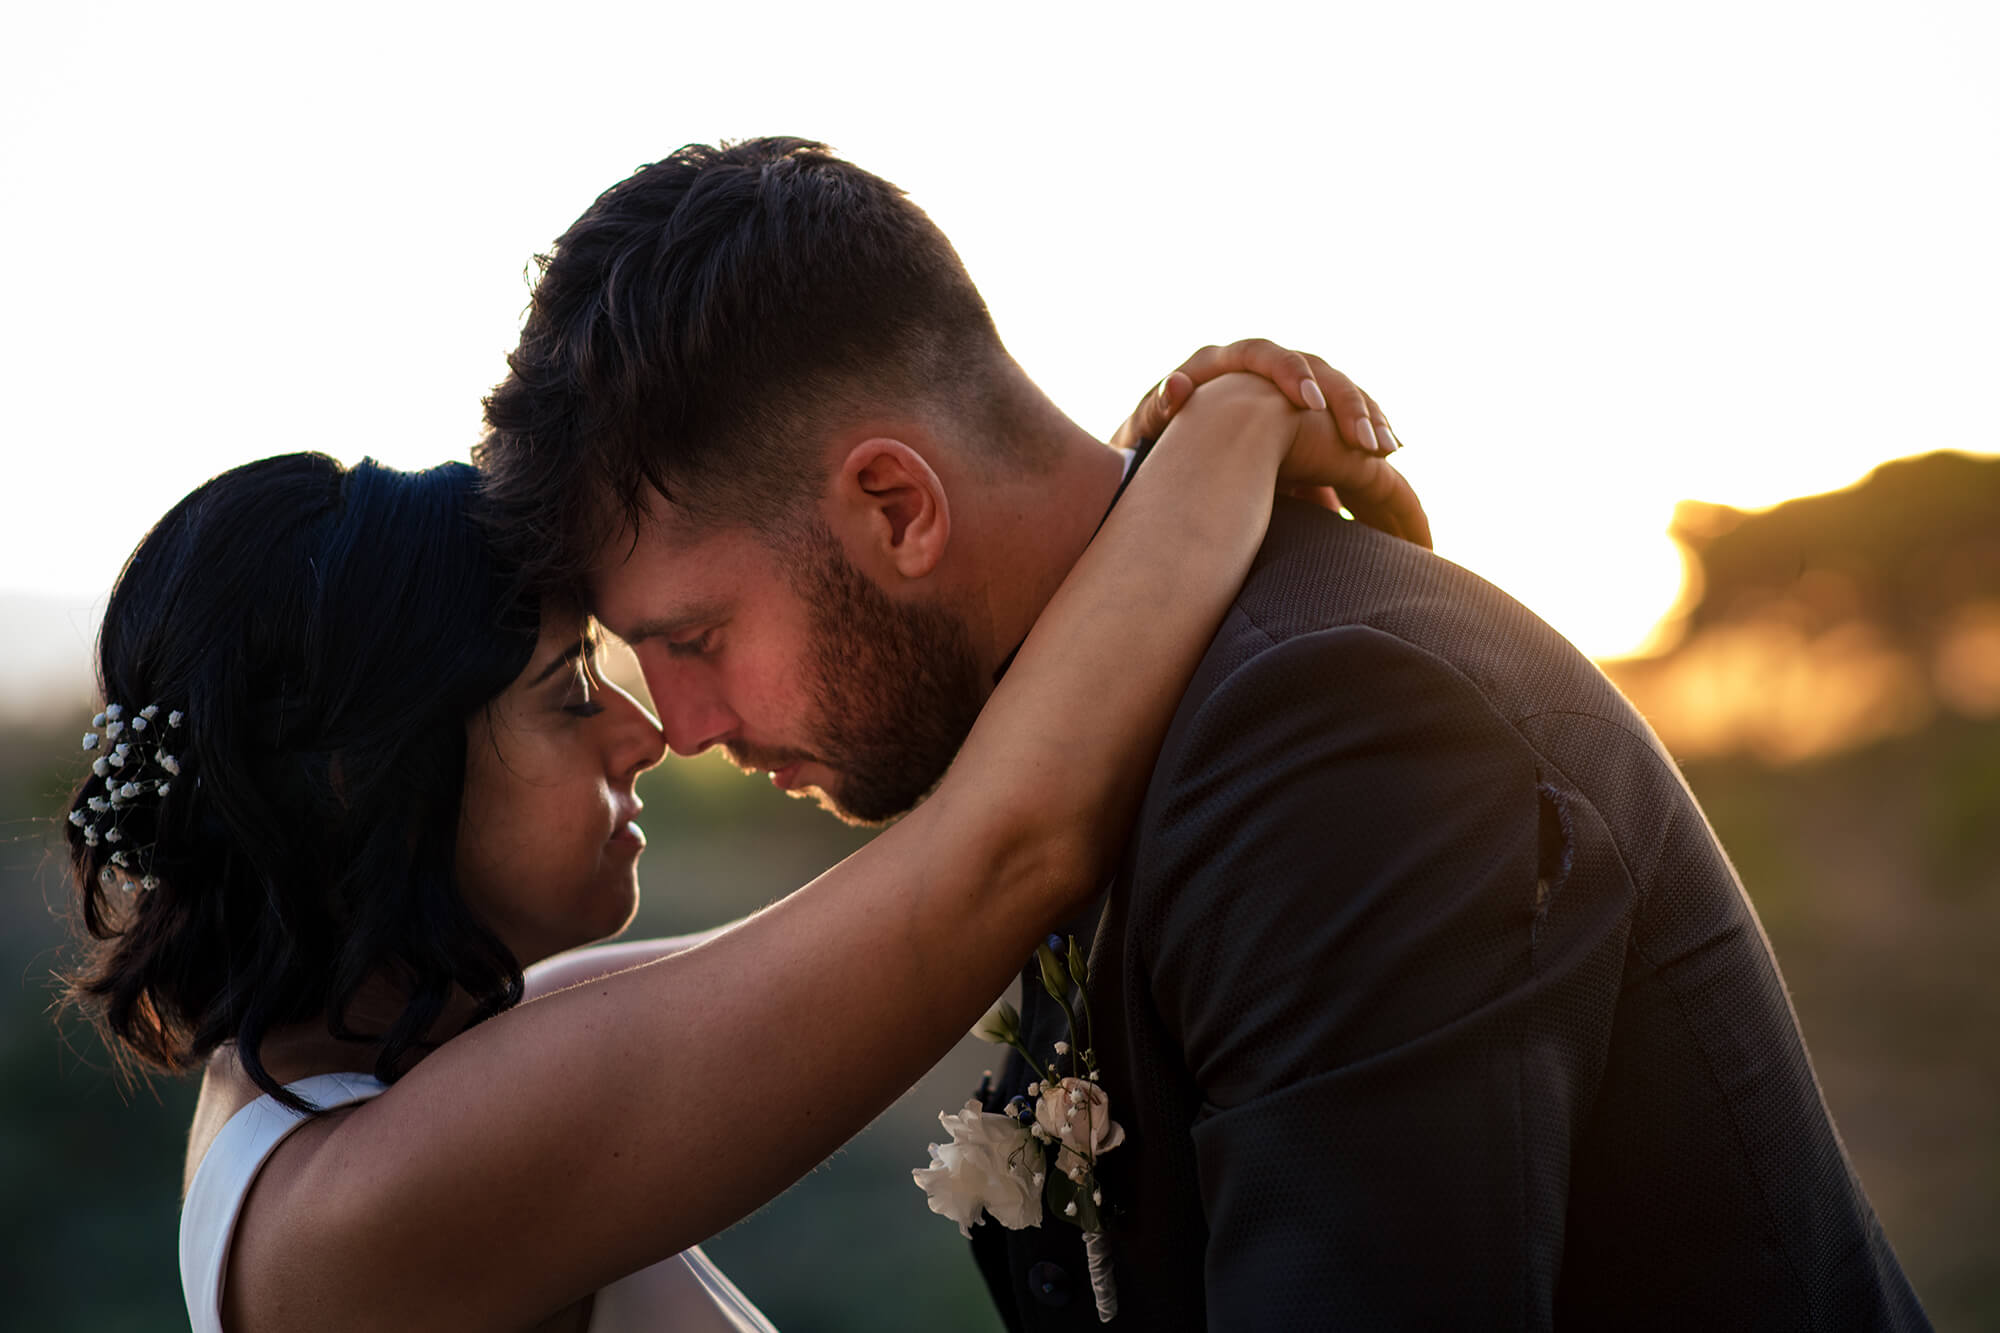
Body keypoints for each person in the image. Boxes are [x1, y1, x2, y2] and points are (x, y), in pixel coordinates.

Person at [476, 137, 1930, 1330]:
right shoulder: (1092, 751)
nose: (687, 725)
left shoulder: (1331, 731)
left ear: (899, 506)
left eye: (696, 641)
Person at [58, 367, 1387, 1331]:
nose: (648, 733)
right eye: (574, 689)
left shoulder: (365, 1074)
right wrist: (1225, 430)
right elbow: (997, 856)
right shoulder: (377, 1202)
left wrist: (1114, 515)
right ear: (370, 776)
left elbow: (953, 881)